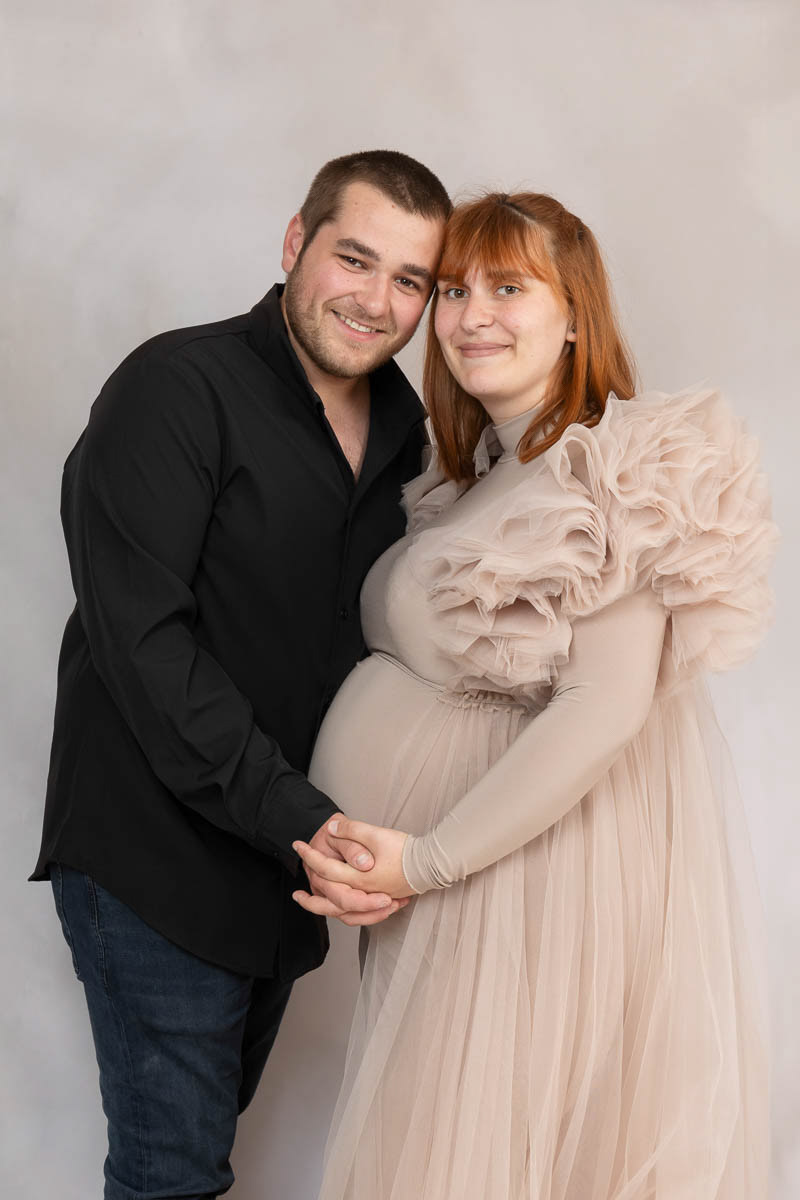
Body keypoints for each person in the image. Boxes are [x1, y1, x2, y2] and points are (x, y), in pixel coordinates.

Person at [293, 192, 777, 1199]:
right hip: (448, 891)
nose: (471, 316)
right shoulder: (478, 473)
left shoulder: (611, 470)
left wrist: (425, 860)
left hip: (515, 888)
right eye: (454, 289)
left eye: (508, 288)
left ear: (573, 316)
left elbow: (602, 707)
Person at [31, 149, 450, 1200]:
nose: (377, 301)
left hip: (283, 875)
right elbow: (146, 647)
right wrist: (309, 819)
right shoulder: (175, 389)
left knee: (199, 1155)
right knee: (173, 1178)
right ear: (295, 242)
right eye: (355, 258)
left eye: (409, 279)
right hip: (153, 859)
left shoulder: (410, 438)